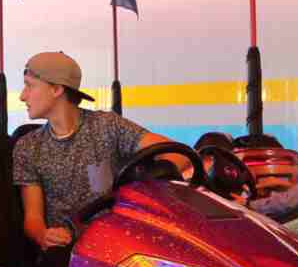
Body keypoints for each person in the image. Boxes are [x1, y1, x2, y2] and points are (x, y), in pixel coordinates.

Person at [9, 50, 179, 250]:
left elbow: (177, 154)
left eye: (29, 85)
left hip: (117, 242)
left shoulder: (107, 126)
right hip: (67, 250)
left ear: (56, 89)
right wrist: (44, 236)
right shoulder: (28, 146)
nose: (22, 96)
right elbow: (33, 219)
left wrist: (146, 184)